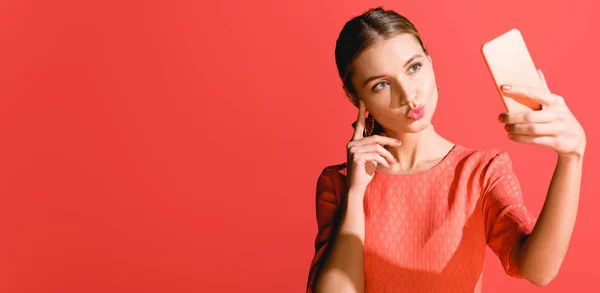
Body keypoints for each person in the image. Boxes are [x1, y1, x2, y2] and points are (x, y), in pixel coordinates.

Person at [306, 7, 586, 293]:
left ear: (430, 60)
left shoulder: (480, 171)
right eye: (381, 85)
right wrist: (356, 192)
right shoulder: (339, 183)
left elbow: (538, 270)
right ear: (355, 96)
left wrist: (571, 157)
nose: (409, 95)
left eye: (414, 67)